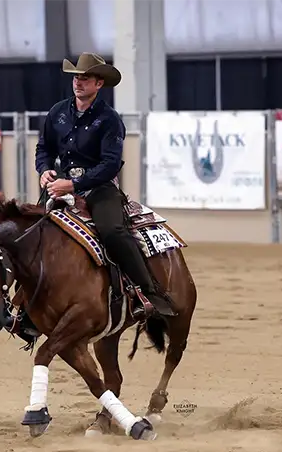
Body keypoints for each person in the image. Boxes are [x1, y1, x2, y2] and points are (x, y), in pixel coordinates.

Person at [32, 52, 178, 321]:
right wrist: (44, 170)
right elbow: (44, 148)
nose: (78, 82)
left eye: (85, 78)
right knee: (33, 233)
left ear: (99, 84)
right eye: (76, 78)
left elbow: (110, 164)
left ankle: (147, 291)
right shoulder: (57, 113)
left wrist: (73, 184)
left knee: (113, 231)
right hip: (60, 184)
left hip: (99, 188)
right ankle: (27, 304)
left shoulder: (109, 119)